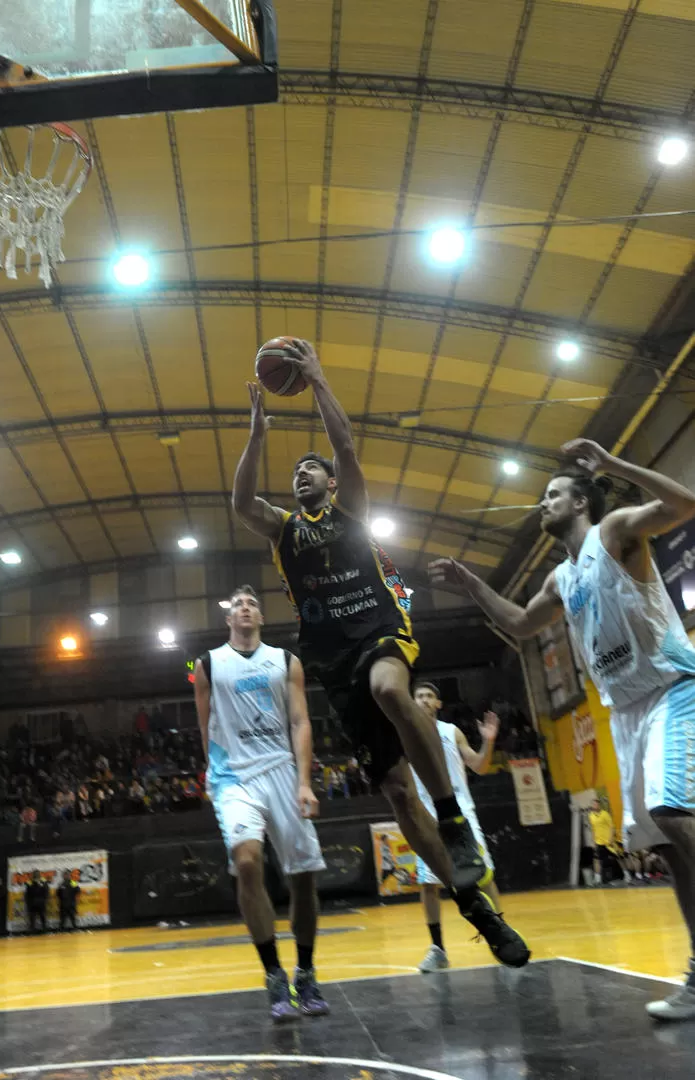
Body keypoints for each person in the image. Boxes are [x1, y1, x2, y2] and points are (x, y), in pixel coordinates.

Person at [232, 340, 528, 966]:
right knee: (395, 793)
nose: (301, 475)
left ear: (331, 483)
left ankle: (452, 817)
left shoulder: (349, 511)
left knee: (393, 689)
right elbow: (239, 505)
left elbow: (345, 446)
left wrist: (316, 380)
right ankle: (477, 909)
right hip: (331, 658)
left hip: (377, 628)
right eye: (296, 473)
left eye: (309, 471)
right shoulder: (286, 530)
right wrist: (258, 433)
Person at [429, 437, 695, 1019]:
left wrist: (613, 465)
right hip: (626, 711)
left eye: (552, 496)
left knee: (674, 813)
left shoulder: (616, 531)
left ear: (581, 503)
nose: (540, 505)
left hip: (675, 688)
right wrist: (471, 583)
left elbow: (683, 505)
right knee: (669, 849)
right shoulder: (560, 578)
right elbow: (522, 625)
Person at [194, 585, 330, 1022]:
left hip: (283, 772)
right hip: (234, 776)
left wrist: (305, 782)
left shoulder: (286, 661)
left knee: (303, 879)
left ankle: (305, 972)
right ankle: (274, 975)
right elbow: (205, 724)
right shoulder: (208, 664)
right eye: (238, 605)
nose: (246, 608)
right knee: (248, 862)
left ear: (262, 617)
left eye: (252, 603)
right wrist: (212, 773)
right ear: (228, 619)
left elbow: (300, 720)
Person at [410, 682, 505, 972]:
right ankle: (438, 948)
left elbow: (479, 766)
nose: (425, 700)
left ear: (438, 704)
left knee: (484, 875)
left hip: (460, 810)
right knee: (428, 884)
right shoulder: (405, 735)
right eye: (419, 696)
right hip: (426, 814)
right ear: (412, 703)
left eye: (430, 696)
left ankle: (501, 936)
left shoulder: (451, 731)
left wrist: (488, 741)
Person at [587, 798, 627, 886]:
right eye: (593, 804)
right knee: (597, 860)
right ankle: (597, 879)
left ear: (599, 805)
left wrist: (611, 838)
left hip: (609, 841)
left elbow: (612, 827)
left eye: (596, 804)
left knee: (618, 858)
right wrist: (593, 841)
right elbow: (592, 829)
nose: (595, 806)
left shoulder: (605, 814)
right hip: (598, 842)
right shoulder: (591, 816)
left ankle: (627, 875)